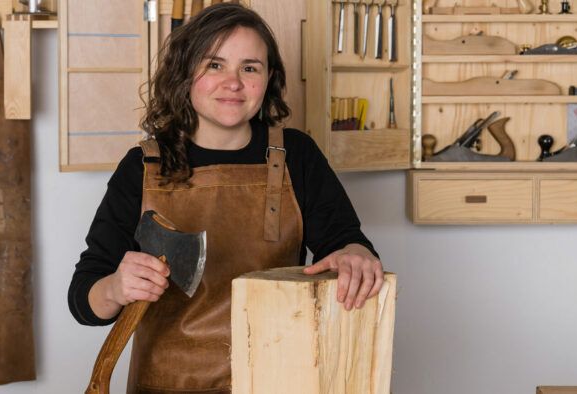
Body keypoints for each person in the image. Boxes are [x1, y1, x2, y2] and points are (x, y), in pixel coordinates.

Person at [68, 3, 384, 393]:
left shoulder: (296, 156)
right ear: (185, 74)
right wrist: (116, 287)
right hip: (167, 384)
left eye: (249, 68)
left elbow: (345, 243)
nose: (233, 82)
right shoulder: (142, 167)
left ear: (269, 78)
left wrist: (357, 255)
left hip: (279, 377)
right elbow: (84, 300)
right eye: (214, 65)